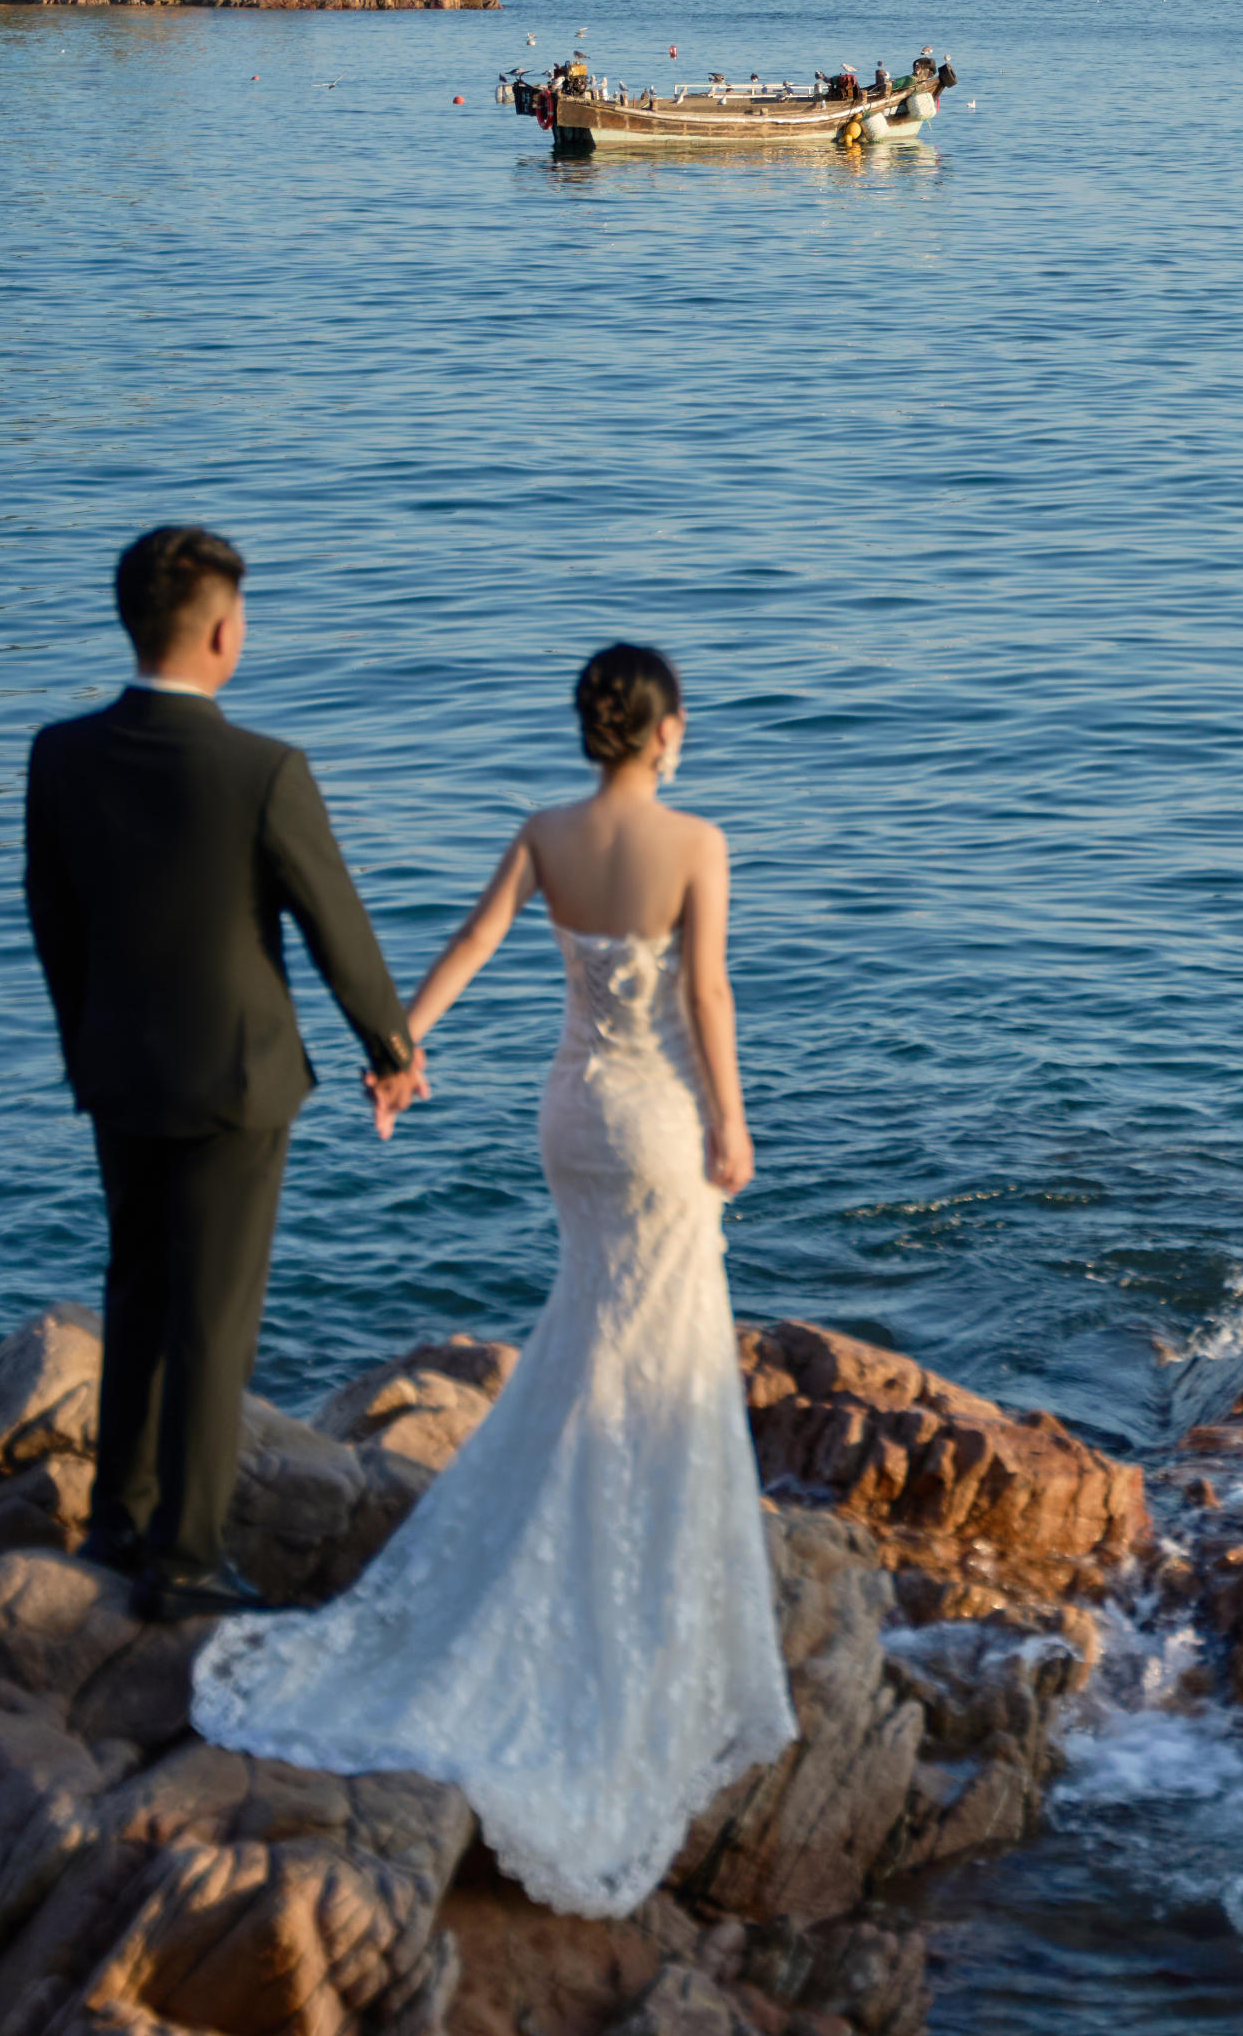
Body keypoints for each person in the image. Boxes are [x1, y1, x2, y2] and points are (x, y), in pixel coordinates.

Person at [189, 643, 794, 1918]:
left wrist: (399, 1054)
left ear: (593, 731)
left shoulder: (542, 832)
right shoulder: (699, 842)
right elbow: (708, 989)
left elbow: (472, 942)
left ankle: (554, 1547)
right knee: (659, 1360)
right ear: (668, 730)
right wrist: (734, 1127)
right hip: (659, 1124)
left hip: (572, 1118)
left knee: (587, 1337)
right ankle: (631, 1602)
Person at [24, 526, 427, 1622]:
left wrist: (88, 1043)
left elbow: (51, 923)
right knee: (213, 1316)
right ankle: (186, 1559)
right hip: (237, 1082)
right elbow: (334, 922)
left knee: (137, 1290)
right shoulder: (264, 771)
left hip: (117, 1067)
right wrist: (390, 1050)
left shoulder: (59, 755)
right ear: (218, 632)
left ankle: (117, 1524)